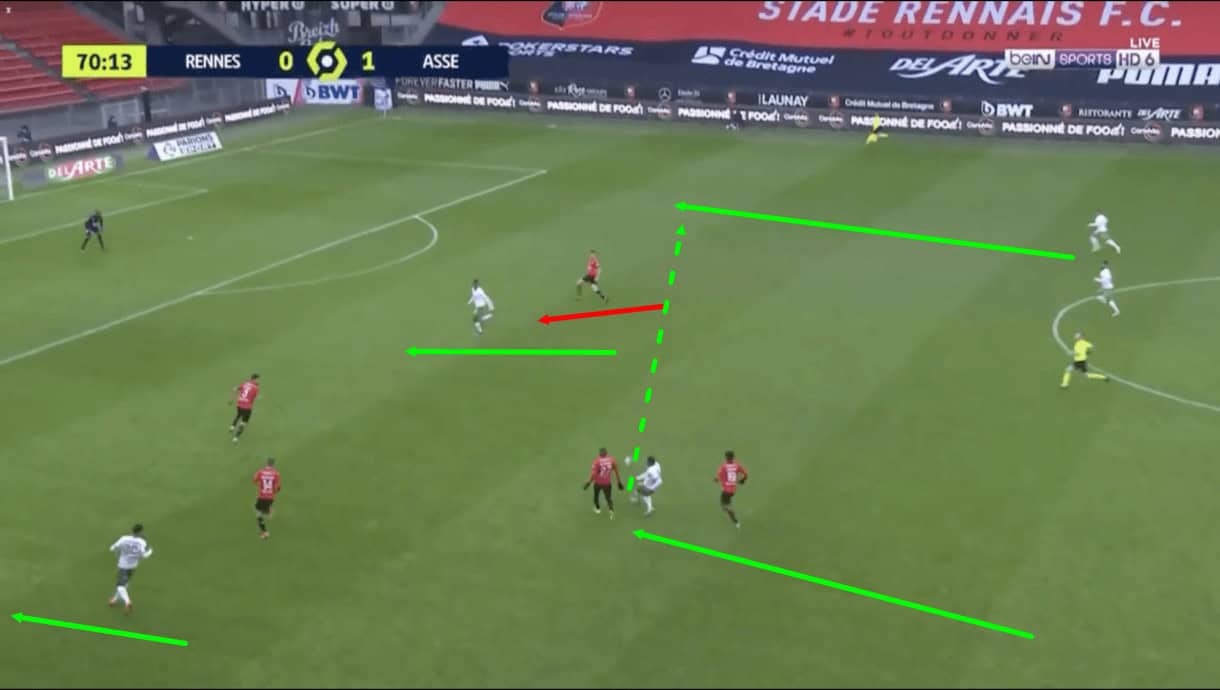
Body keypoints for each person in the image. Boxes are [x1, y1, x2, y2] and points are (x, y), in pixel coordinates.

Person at [108, 524, 153, 612]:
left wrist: (117, 552)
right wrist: (150, 551)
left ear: (132, 530)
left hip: (123, 565)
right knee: (124, 584)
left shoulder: (124, 539)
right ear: (141, 532)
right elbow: (144, 555)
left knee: (120, 585)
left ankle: (127, 602)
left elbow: (112, 548)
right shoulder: (142, 542)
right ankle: (114, 600)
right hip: (133, 566)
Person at [583, 448, 623, 518]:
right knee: (608, 497)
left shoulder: (597, 461)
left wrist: (589, 482)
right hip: (607, 484)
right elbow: (616, 472)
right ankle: (611, 511)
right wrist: (619, 482)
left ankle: (598, 509)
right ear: (606, 453)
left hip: (598, 483)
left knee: (596, 496)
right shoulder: (612, 460)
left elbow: (594, 474)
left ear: (599, 454)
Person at [715, 451, 748, 529]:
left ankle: (736, 522)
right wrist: (743, 480)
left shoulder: (723, 467)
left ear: (726, 458)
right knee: (725, 502)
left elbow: (718, 476)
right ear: (733, 457)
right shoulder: (737, 466)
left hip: (726, 491)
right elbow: (745, 473)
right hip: (733, 490)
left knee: (725, 505)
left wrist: (716, 479)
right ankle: (727, 507)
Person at [253, 458, 282, 539]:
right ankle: (268, 510)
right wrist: (273, 492)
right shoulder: (276, 474)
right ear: (273, 465)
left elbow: (254, 480)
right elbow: (278, 488)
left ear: (266, 463)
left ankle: (265, 532)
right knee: (259, 507)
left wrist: (260, 483)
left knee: (258, 514)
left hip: (262, 496)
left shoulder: (260, 472)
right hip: (270, 497)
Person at [231, 373, 261, 442]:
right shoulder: (255, 388)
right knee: (243, 423)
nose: (259, 381)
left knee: (238, 415)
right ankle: (236, 438)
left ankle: (232, 427)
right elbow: (255, 397)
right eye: (258, 379)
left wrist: (235, 389)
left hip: (239, 405)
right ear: (255, 379)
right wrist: (258, 397)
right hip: (247, 408)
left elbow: (236, 389)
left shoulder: (245, 383)